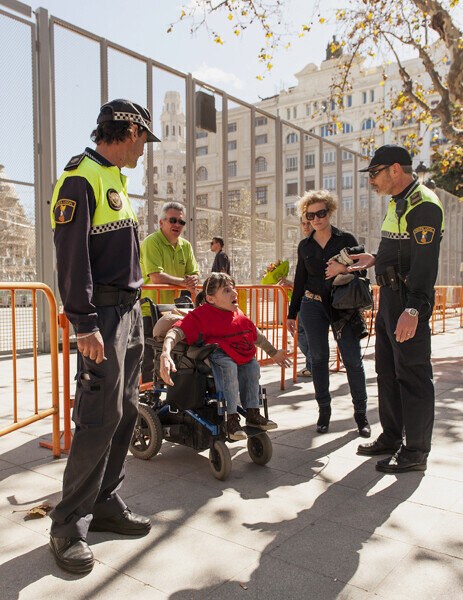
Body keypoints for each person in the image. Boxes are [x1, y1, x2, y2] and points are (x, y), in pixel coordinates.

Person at [49, 99, 159, 574]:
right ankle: (67, 524)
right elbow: (71, 259)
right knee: (98, 416)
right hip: (105, 319)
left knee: (125, 410)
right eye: (143, 141)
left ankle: (106, 505)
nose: (144, 151)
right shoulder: (81, 177)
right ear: (130, 130)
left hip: (129, 312)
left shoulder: (115, 177)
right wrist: (85, 323)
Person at [352, 145, 444, 473]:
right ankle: (391, 436)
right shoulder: (398, 201)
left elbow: (424, 264)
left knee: (414, 375)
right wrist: (375, 259)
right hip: (390, 298)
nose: (371, 181)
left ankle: (416, 450)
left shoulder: (424, 205)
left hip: (408, 302)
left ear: (394, 170)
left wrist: (415, 310)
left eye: (374, 174)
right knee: (387, 371)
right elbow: (401, 247)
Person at [159, 273, 291, 440]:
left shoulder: (238, 314)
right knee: (228, 366)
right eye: (227, 290)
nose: (235, 293)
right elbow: (175, 332)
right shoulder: (202, 314)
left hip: (237, 353)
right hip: (215, 353)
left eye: (233, 289)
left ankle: (252, 413)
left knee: (252, 366)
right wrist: (165, 353)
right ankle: (231, 419)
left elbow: (255, 334)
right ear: (211, 299)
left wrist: (273, 352)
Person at [287, 190, 370, 437]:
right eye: (310, 215)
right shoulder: (305, 245)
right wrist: (293, 313)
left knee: (353, 359)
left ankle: (361, 415)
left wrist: (343, 267)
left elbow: (363, 269)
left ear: (330, 212)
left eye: (321, 213)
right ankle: (324, 411)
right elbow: (300, 280)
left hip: (343, 306)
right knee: (319, 359)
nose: (316, 219)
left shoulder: (345, 239)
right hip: (312, 306)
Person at [140, 201, 200, 382]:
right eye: (172, 220)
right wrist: (184, 282)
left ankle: (171, 394)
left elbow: (194, 274)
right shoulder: (152, 242)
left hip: (177, 311)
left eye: (181, 222)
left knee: (177, 355)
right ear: (161, 222)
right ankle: (146, 397)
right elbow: (156, 277)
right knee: (150, 359)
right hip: (151, 310)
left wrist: (193, 279)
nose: (177, 225)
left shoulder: (186, 246)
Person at [279, 215, 313, 377]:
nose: (306, 227)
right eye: (304, 224)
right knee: (298, 332)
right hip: (303, 299)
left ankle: (314, 365)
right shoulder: (304, 246)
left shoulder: (318, 246)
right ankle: (313, 364)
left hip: (314, 301)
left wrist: (293, 285)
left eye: (309, 223)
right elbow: (302, 279)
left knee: (304, 332)